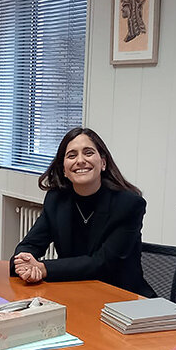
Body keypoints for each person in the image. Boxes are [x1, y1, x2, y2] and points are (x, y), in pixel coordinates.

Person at [11, 127, 155, 297]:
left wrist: (44, 268)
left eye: (88, 153)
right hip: (73, 293)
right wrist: (24, 261)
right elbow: (31, 243)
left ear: (103, 162)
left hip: (121, 300)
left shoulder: (128, 204)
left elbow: (103, 263)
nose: (80, 160)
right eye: (72, 155)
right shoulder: (57, 200)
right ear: (64, 169)